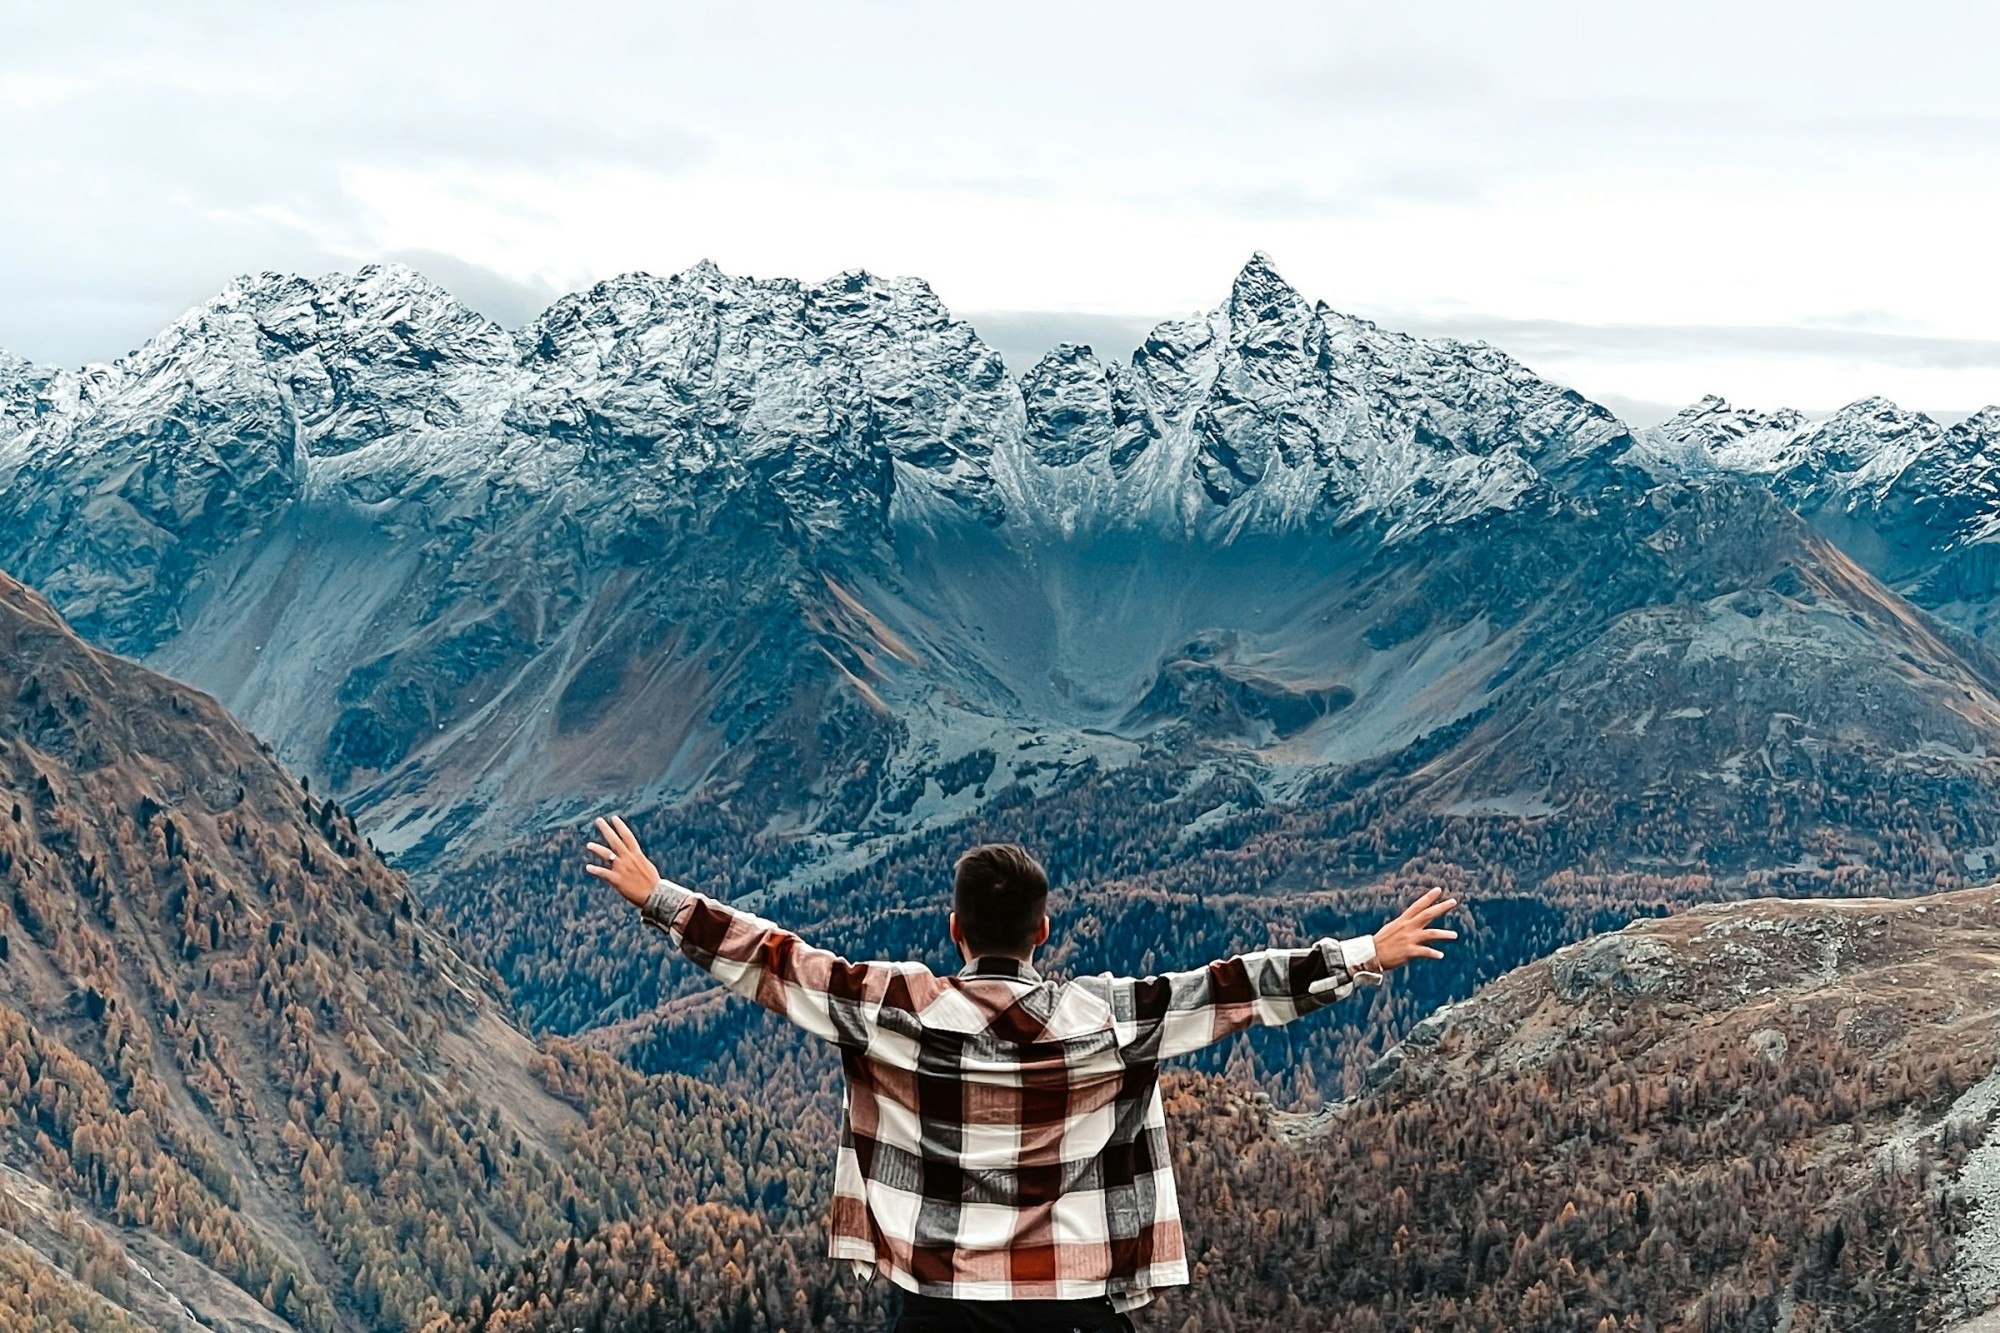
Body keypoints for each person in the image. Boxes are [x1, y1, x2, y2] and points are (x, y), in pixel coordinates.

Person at [584, 814, 1458, 1331]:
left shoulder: (899, 1007)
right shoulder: (1107, 1017)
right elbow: (1232, 988)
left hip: (937, 1302)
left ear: (955, 929)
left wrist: (660, 896)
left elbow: (777, 960)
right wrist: (1362, 953)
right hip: (1073, 1303)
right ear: (1043, 933)